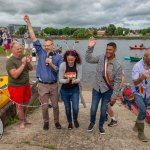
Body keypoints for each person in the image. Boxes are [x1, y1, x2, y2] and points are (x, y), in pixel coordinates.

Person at [24, 15, 62, 130]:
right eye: (45, 45)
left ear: (52, 45)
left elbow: (60, 70)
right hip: (42, 85)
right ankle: (46, 121)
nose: (46, 47)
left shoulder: (58, 56)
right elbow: (33, 36)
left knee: (55, 106)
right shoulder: (40, 52)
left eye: (48, 45)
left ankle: (56, 121)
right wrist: (29, 23)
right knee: (44, 107)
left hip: (54, 84)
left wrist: (51, 64)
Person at [85, 37, 123, 134]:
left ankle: (101, 126)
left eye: (110, 49)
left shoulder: (118, 65)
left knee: (103, 111)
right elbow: (88, 59)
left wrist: (114, 96)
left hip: (107, 91)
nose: (108, 51)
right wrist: (90, 47)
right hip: (96, 89)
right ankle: (92, 123)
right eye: (106, 49)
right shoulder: (102, 58)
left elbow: (118, 82)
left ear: (115, 50)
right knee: (93, 108)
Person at [6, 42, 33, 129]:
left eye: (20, 48)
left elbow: (31, 69)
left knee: (26, 103)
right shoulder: (10, 61)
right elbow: (15, 75)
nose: (20, 50)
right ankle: (21, 121)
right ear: (12, 49)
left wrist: (28, 63)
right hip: (15, 86)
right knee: (20, 105)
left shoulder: (23, 57)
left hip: (26, 84)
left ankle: (25, 118)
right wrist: (23, 64)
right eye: (17, 49)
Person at [59, 50, 82, 129]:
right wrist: (66, 80)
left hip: (74, 89)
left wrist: (76, 81)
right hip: (64, 90)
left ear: (75, 58)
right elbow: (60, 79)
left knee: (75, 108)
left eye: (72, 60)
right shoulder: (62, 65)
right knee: (67, 108)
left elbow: (79, 78)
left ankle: (75, 119)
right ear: (66, 58)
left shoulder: (78, 65)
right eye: (68, 60)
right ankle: (70, 122)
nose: (70, 61)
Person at [131, 49, 150, 142]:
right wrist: (142, 77)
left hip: (148, 93)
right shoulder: (137, 66)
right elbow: (134, 82)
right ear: (145, 57)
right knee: (143, 110)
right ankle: (140, 133)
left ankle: (136, 125)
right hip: (138, 92)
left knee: (142, 111)